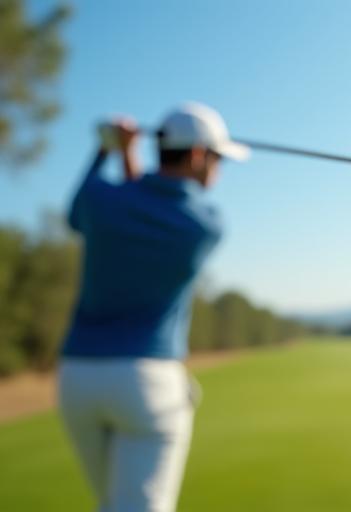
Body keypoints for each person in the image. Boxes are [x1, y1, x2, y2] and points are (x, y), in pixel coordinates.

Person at [57, 102, 250, 512]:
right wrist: (127, 154)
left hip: (77, 379)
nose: (218, 169)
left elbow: (81, 213)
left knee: (112, 503)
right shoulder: (204, 224)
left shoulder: (101, 200)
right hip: (148, 383)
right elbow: (146, 203)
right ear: (197, 155)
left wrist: (108, 148)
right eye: (217, 158)